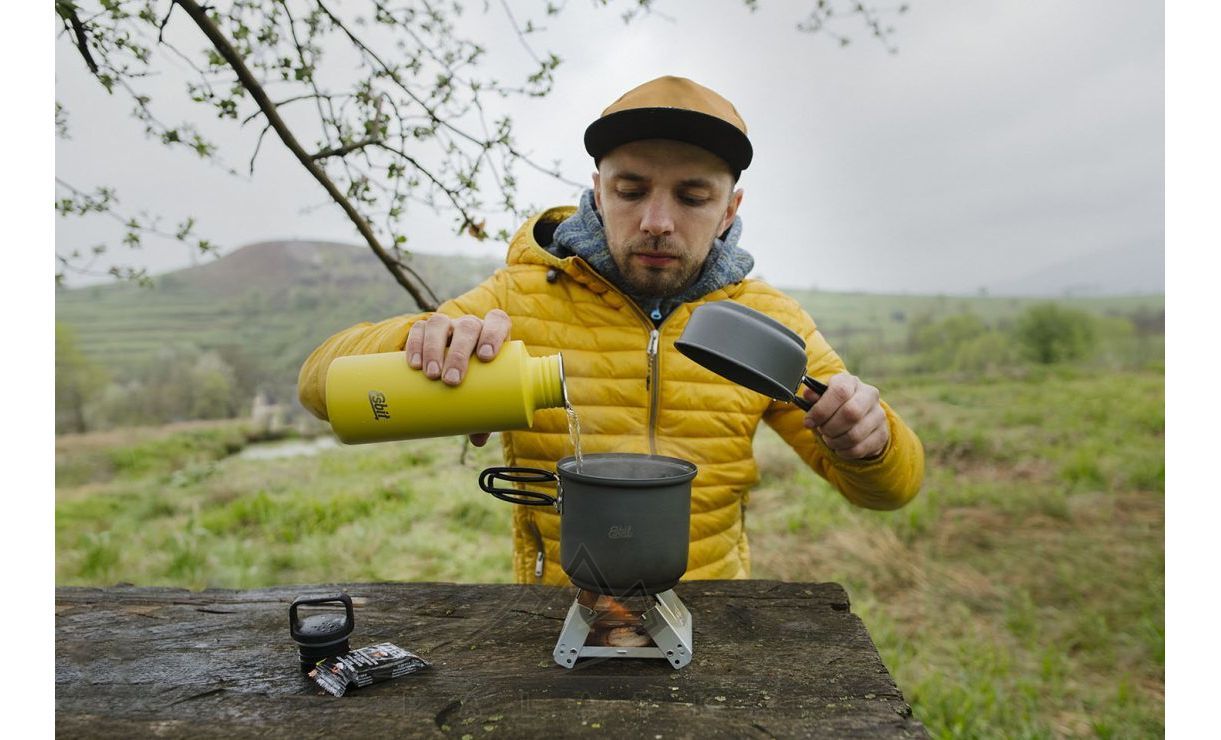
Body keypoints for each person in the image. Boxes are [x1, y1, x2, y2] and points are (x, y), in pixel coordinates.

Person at [298, 76, 924, 586]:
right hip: (555, 619)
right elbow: (318, 388)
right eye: (630, 190)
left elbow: (890, 491)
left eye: (692, 197)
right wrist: (421, 339)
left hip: (714, 619)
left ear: (729, 209)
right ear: (597, 193)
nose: (657, 221)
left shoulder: (767, 321)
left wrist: (869, 442)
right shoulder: (516, 298)